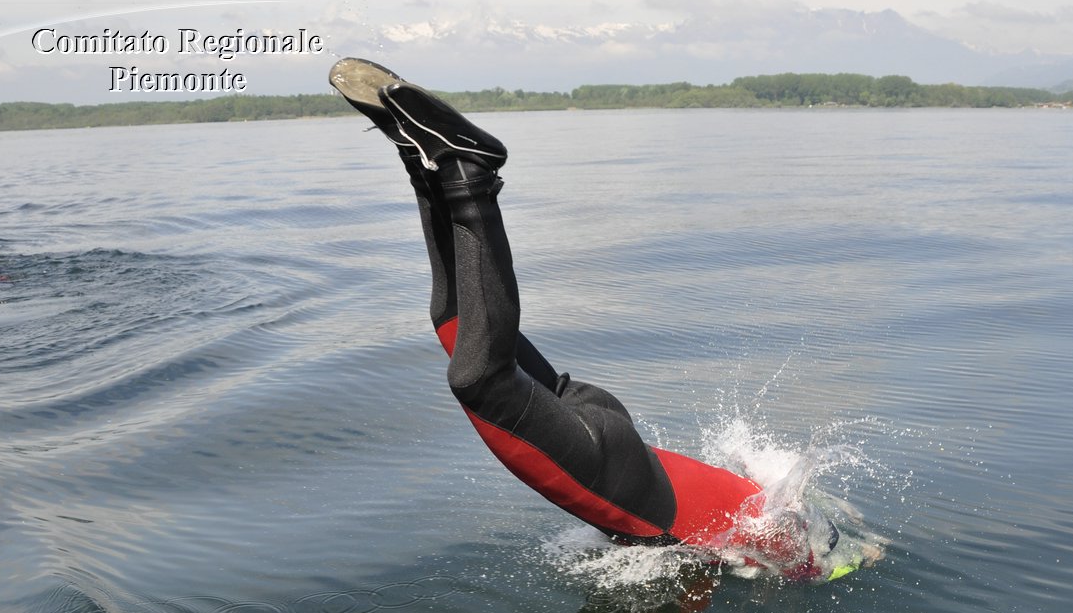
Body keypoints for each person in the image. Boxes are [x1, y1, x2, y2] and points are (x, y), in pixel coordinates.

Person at [328, 58, 840, 579]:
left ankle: (421, 159)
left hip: (608, 425)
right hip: (616, 472)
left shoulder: (758, 498)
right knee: (480, 379)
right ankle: (469, 174)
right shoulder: (759, 540)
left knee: (455, 322)